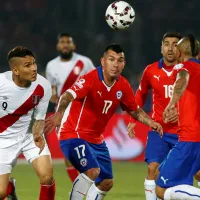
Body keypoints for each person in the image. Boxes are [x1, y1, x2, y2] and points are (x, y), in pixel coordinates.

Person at [45, 44, 163, 200]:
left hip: (96, 140)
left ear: (124, 64)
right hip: (74, 134)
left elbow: (133, 109)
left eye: (119, 60)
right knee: (92, 171)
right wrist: (59, 113)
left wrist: (150, 122)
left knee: (107, 182)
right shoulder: (90, 78)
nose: (115, 64)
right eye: (111, 59)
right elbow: (67, 95)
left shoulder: (123, 85)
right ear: (103, 61)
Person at [128, 32, 181, 200]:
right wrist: (132, 119)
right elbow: (140, 94)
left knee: (196, 172)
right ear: (161, 48)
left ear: (180, 49)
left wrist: (181, 112)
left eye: (175, 44)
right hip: (159, 130)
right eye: (167, 44)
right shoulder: (151, 71)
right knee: (152, 168)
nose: (170, 48)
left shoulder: (188, 70)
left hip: (185, 131)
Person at [0, 46, 55, 200]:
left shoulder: (43, 86)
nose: (34, 69)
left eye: (34, 63)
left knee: (47, 177)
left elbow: (39, 117)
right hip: (3, 140)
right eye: (27, 65)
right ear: (15, 70)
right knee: (1, 193)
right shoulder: (1, 84)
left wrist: (38, 135)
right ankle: (9, 188)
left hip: (28, 135)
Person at [45, 32, 94, 183]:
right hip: (63, 113)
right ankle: (78, 189)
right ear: (57, 45)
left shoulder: (84, 62)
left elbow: (95, 82)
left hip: (83, 112)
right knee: (69, 155)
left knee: (86, 153)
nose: (65, 44)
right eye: (62, 42)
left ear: (74, 45)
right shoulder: (51, 66)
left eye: (68, 42)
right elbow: (52, 89)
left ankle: (91, 184)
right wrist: (52, 95)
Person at [156, 35, 200, 200]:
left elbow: (182, 79)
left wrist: (172, 103)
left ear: (180, 53)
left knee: (161, 189)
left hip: (190, 138)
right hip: (195, 137)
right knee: (161, 172)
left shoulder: (183, 67)